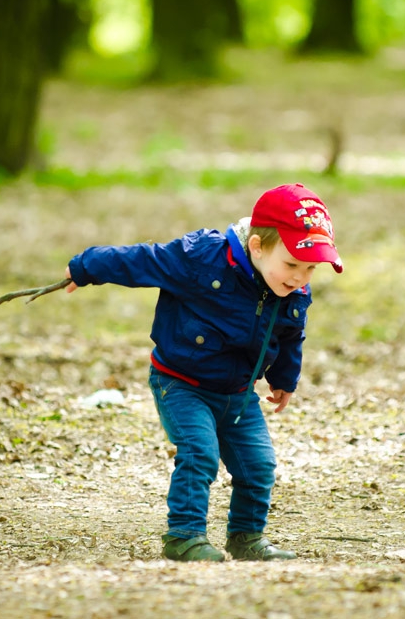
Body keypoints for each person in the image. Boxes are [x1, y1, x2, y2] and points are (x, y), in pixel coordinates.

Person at [64, 183, 343, 562]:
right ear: (258, 247)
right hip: (181, 382)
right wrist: (86, 267)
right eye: (292, 264)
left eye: (311, 268)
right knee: (199, 453)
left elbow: (292, 335)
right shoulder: (201, 259)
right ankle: (184, 535)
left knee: (258, 466)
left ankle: (246, 537)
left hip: (239, 393)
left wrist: (284, 379)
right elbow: (143, 260)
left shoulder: (293, 292)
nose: (300, 277)